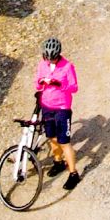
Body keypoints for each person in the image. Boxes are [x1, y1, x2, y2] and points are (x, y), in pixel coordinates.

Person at [34, 36, 81, 190]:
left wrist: (59, 84)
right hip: (46, 106)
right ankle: (58, 161)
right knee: (51, 137)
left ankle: (73, 174)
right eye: (47, 58)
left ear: (58, 55)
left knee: (64, 142)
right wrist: (41, 82)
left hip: (62, 108)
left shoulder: (68, 67)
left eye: (52, 58)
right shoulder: (42, 64)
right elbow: (37, 83)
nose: (49, 61)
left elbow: (74, 87)